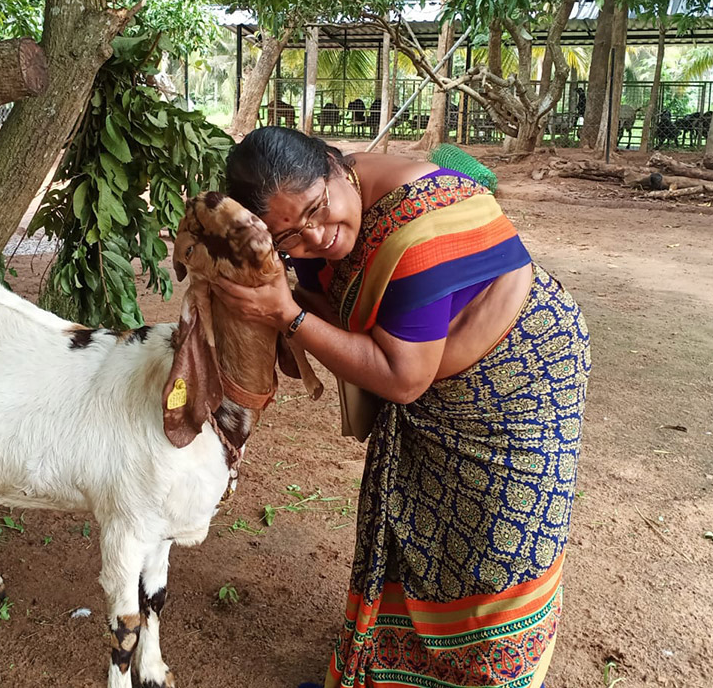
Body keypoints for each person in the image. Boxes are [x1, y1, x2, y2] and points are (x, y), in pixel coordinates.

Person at [216, 127, 589, 688]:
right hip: (438, 390)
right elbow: (332, 309)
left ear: (335, 165)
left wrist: (286, 315)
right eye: (288, 236)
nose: (315, 236)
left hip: (519, 385)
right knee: (423, 534)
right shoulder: (332, 216)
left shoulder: (418, 227)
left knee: (494, 548)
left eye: (319, 210)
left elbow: (402, 377)